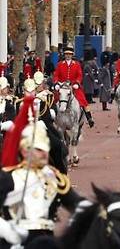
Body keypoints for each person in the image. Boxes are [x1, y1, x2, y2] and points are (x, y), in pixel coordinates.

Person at [0, 100, 87, 247]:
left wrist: (84, 213)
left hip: (46, 241)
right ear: (25, 150)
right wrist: (6, 230)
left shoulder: (53, 177)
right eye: (39, 150)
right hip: (14, 241)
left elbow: (75, 203)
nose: (44, 154)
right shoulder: (8, 177)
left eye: (45, 150)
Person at [52, 47, 94, 128]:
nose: (68, 56)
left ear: (72, 55)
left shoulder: (77, 64)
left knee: (83, 101)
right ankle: (52, 118)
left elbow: (79, 75)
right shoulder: (60, 64)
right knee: (54, 100)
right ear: (64, 55)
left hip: (73, 87)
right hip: (62, 87)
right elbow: (56, 75)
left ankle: (89, 118)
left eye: (69, 54)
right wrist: (56, 83)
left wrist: (77, 83)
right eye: (66, 54)